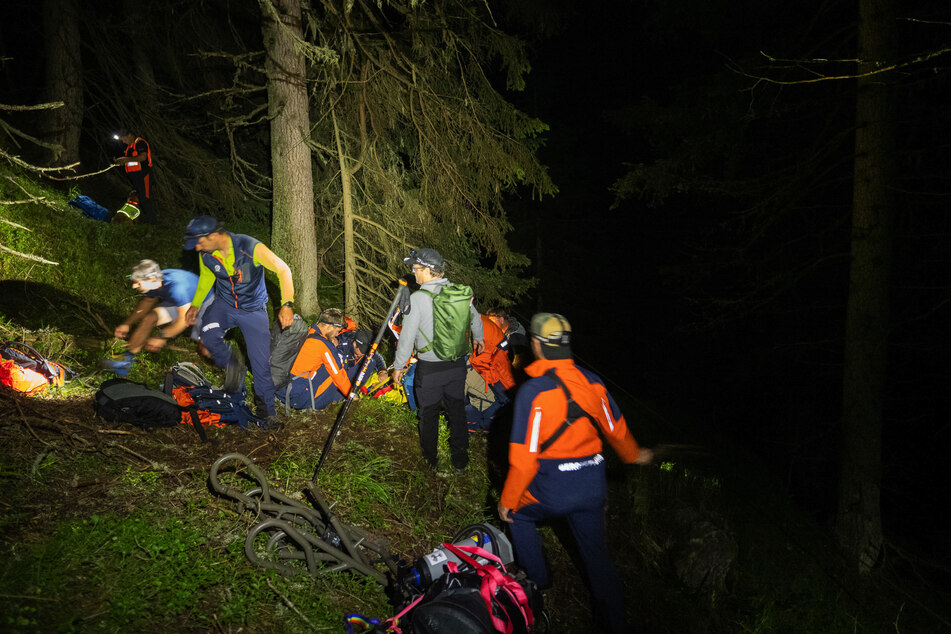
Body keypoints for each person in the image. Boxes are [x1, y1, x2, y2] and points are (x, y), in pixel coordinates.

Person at [497, 313, 653, 634]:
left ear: (537, 345)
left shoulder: (533, 392)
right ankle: (615, 624)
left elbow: (524, 460)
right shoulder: (593, 383)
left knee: (518, 516)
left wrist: (508, 501)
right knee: (597, 557)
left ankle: (537, 583)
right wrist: (635, 455)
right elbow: (617, 431)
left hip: (552, 486)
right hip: (592, 484)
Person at [183, 215, 294, 425]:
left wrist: (287, 304)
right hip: (224, 306)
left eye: (200, 242)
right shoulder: (207, 253)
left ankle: (267, 412)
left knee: (261, 363)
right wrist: (196, 304)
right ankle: (233, 366)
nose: (197, 248)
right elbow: (207, 276)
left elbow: (283, 269)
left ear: (214, 235)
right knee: (207, 334)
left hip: (253, 311)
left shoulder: (250, 247)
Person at [391, 248, 484, 472]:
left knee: (429, 414)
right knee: (457, 412)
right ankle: (460, 463)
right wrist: (479, 338)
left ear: (429, 271)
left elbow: (407, 337)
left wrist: (399, 365)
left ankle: (430, 462)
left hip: (430, 369)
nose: (413, 273)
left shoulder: (419, 298)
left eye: (416, 268)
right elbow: (475, 318)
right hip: (457, 365)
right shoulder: (457, 292)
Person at [102, 259, 205, 376]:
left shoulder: (177, 288)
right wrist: (127, 323)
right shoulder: (155, 283)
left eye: (137, 283)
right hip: (181, 302)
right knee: (149, 318)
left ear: (151, 279)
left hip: (205, 306)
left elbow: (184, 320)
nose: (134, 286)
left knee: (206, 349)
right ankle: (126, 361)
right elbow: (146, 303)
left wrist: (162, 337)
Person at [280, 308, 352, 411]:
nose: (337, 335)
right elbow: (338, 375)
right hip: (296, 396)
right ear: (330, 327)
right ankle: (316, 406)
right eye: (337, 331)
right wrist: (351, 395)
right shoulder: (323, 345)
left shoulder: (303, 331)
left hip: (279, 387)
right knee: (335, 369)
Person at [466, 313, 515, 432]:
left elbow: (487, 352)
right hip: (491, 364)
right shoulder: (473, 318)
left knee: (506, 399)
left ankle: (494, 427)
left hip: (494, 366)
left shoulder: (474, 322)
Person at [115, 130, 156, 224]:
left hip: (144, 174)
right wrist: (122, 162)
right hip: (135, 177)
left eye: (124, 139)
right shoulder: (129, 147)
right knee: (139, 198)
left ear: (130, 135)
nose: (124, 142)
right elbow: (131, 162)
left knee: (145, 198)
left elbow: (143, 157)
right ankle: (142, 220)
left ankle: (152, 223)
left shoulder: (140, 143)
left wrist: (125, 159)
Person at [341, 329, 389, 395]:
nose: (364, 353)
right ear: (355, 344)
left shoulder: (367, 344)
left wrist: (383, 371)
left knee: (371, 361)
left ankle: (356, 389)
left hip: (353, 372)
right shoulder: (343, 345)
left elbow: (378, 357)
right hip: (340, 374)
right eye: (362, 350)